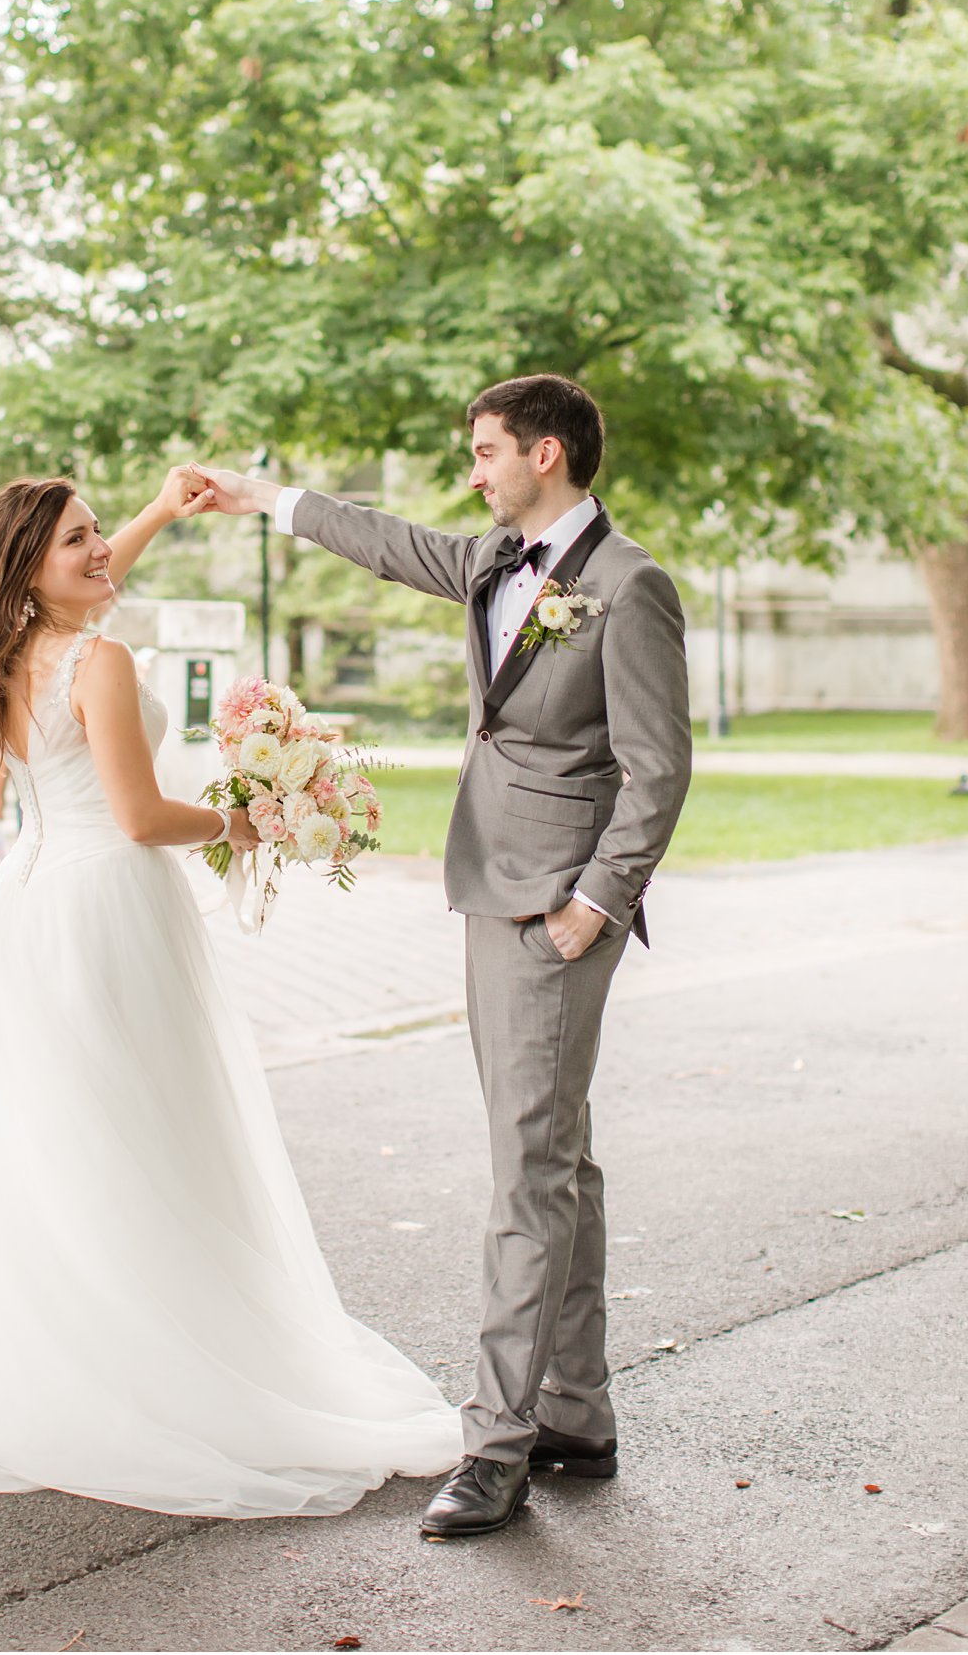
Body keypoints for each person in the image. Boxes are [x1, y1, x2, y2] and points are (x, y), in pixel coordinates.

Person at [0, 464, 460, 1514]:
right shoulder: (98, 660)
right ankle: (154, 1372)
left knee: (56, 1145)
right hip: (107, 911)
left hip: (28, 911)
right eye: (78, 540)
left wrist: (150, 515)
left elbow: (80, 596)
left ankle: (45, 1367)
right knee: (148, 1139)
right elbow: (141, 817)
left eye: (100, 530)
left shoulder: (14, 652)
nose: (101, 550)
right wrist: (247, 820)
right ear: (30, 568)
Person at [197, 374, 692, 1540]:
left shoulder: (629, 587)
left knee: (526, 1159)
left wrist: (594, 904)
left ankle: (496, 1444)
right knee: (554, 1151)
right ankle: (574, 1410)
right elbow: (386, 541)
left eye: (484, 452)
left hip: (552, 906)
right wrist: (261, 498)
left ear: (547, 452)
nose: (472, 471)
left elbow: (657, 769)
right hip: (492, 888)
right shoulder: (488, 561)